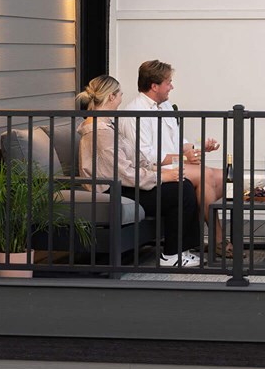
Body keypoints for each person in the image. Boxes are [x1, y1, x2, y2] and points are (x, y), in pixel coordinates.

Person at [76, 75, 202, 268]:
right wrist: (161, 177)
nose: (121, 99)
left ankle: (180, 250)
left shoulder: (107, 126)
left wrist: (158, 170)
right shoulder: (99, 132)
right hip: (113, 189)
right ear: (111, 97)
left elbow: (133, 161)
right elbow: (123, 173)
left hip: (124, 184)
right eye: (119, 95)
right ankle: (171, 255)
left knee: (181, 185)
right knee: (180, 191)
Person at [120, 60, 228, 253]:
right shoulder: (134, 113)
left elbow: (178, 139)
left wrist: (197, 148)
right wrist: (184, 158)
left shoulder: (166, 106)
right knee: (205, 176)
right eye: (168, 82)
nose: (172, 86)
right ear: (154, 86)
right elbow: (147, 156)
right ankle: (218, 239)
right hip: (153, 170)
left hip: (174, 163)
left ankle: (203, 238)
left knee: (222, 177)